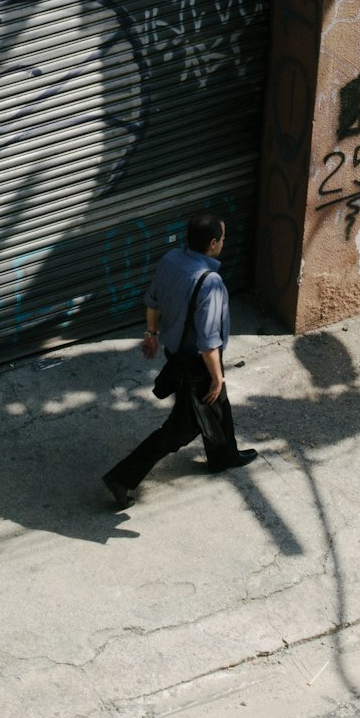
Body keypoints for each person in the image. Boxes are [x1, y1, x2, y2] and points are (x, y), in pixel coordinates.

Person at [102, 212, 256, 508]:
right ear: (213, 243)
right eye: (223, 238)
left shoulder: (171, 260)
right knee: (181, 429)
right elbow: (208, 343)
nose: (224, 242)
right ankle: (121, 478)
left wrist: (151, 333)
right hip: (197, 363)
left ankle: (224, 456)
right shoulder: (210, 283)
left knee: (218, 405)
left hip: (177, 354)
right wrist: (217, 375)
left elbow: (152, 300)